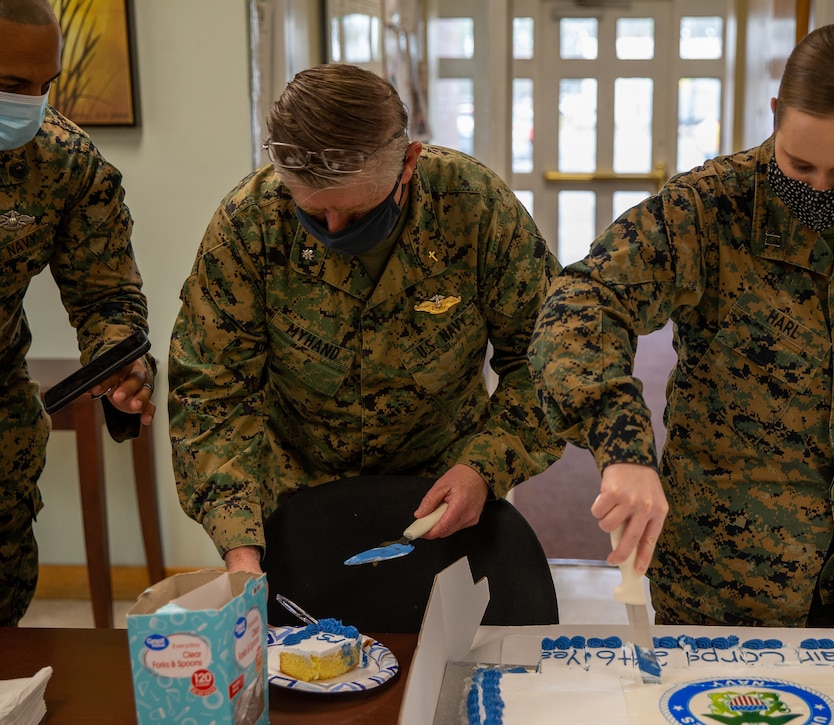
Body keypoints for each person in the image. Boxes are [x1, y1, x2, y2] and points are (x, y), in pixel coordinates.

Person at [529, 23, 834, 627]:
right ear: (776, 114)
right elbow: (583, 301)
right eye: (800, 164)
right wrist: (624, 449)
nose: (819, 188)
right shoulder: (707, 208)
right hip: (724, 566)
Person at [169, 64, 563, 574]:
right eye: (313, 213)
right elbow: (210, 392)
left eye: (356, 213)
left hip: (445, 494)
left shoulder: (474, 210)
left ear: (408, 164)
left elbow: (547, 364)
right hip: (297, 500)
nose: (334, 230)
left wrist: (484, 467)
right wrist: (240, 548)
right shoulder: (250, 226)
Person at [0, 0, 156, 626]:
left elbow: (106, 296)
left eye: (44, 86)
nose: (30, 106)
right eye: (12, 86)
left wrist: (119, 364)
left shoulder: (63, 161)